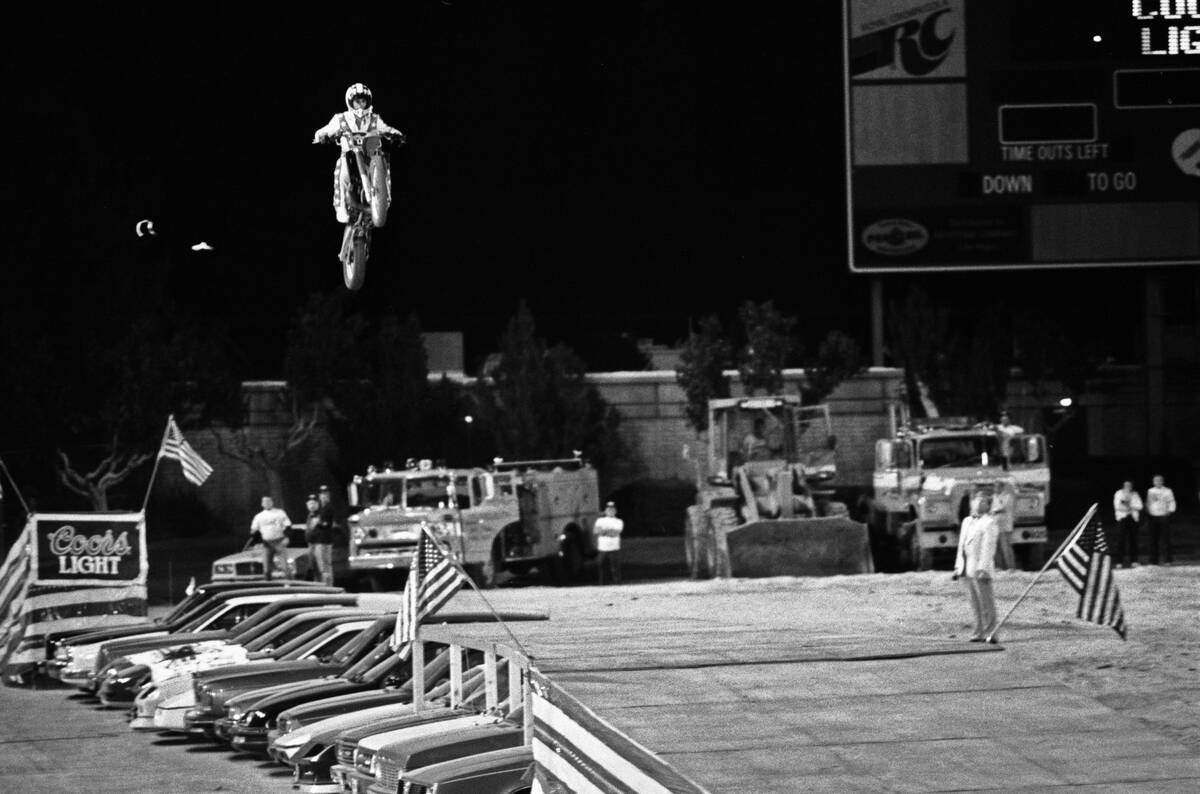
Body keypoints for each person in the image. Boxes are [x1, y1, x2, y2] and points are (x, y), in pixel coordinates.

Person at [312, 83, 404, 224]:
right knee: (341, 167)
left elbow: (387, 129)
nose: (360, 105)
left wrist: (396, 135)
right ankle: (340, 205)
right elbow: (323, 131)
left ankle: (384, 201)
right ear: (351, 103)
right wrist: (322, 136)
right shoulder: (340, 119)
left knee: (384, 161)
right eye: (357, 102)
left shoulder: (374, 119)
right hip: (350, 155)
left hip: (370, 155)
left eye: (363, 101)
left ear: (368, 102)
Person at [953, 490, 999, 643]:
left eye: (983, 501)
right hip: (966, 567)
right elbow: (961, 545)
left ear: (988, 505)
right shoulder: (966, 521)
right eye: (977, 500)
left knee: (986, 602)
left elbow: (988, 548)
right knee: (974, 603)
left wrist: (983, 568)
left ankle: (991, 632)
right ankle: (978, 630)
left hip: (979, 568)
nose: (979, 503)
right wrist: (957, 566)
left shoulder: (989, 522)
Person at [250, 496, 291, 581]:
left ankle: (290, 585)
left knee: (285, 567)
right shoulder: (258, 516)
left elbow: (288, 526)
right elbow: (254, 531)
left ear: (272, 502)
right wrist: (256, 541)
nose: (267, 503)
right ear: (262, 504)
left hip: (279, 541)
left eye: (269, 501)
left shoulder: (280, 513)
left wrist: (287, 537)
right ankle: (268, 587)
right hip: (267, 544)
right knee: (266, 569)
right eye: (265, 502)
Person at [1145, 474, 1176, 565]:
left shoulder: (1168, 491)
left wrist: (1170, 511)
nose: (1157, 482)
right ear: (1153, 482)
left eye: (1159, 480)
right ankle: (1153, 560)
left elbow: (1172, 501)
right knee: (1153, 539)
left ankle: (1167, 560)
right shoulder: (1150, 491)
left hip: (1164, 516)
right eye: (1155, 480)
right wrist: (1148, 512)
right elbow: (1148, 502)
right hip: (1153, 516)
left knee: (1166, 539)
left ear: (1162, 481)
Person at [303, 493, 334, 585]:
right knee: (314, 567)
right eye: (310, 504)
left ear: (318, 504)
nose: (312, 506)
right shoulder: (309, 516)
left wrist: (319, 522)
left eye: (314, 503)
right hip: (312, 544)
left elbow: (326, 525)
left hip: (321, 543)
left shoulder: (322, 513)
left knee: (324, 567)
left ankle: (328, 587)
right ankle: (319, 586)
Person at [1112, 480, 1143, 568]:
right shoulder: (1119, 493)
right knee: (1121, 540)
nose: (1128, 486)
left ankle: (1134, 560)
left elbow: (1140, 506)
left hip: (1133, 519)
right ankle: (1119, 562)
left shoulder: (1135, 494)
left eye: (1130, 485)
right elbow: (1117, 506)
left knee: (1133, 540)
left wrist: (1130, 506)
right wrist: (1129, 507)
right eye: (1126, 485)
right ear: (1123, 486)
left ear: (1132, 486)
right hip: (1122, 518)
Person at [593, 501, 624, 585]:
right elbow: (596, 531)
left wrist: (603, 531)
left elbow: (615, 533)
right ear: (605, 511)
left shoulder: (618, 521)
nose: (610, 511)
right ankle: (603, 584)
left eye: (612, 509)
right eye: (608, 509)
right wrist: (609, 531)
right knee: (602, 567)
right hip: (602, 548)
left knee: (615, 568)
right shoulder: (600, 520)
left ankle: (617, 584)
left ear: (615, 511)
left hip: (614, 548)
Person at [990, 481, 1017, 570]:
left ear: (1001, 488)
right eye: (994, 487)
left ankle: (1011, 567)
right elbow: (992, 509)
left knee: (1007, 547)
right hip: (996, 526)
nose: (995, 489)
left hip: (1005, 526)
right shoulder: (994, 497)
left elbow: (1003, 508)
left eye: (996, 487)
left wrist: (993, 511)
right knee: (996, 547)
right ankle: (999, 566)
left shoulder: (1008, 496)